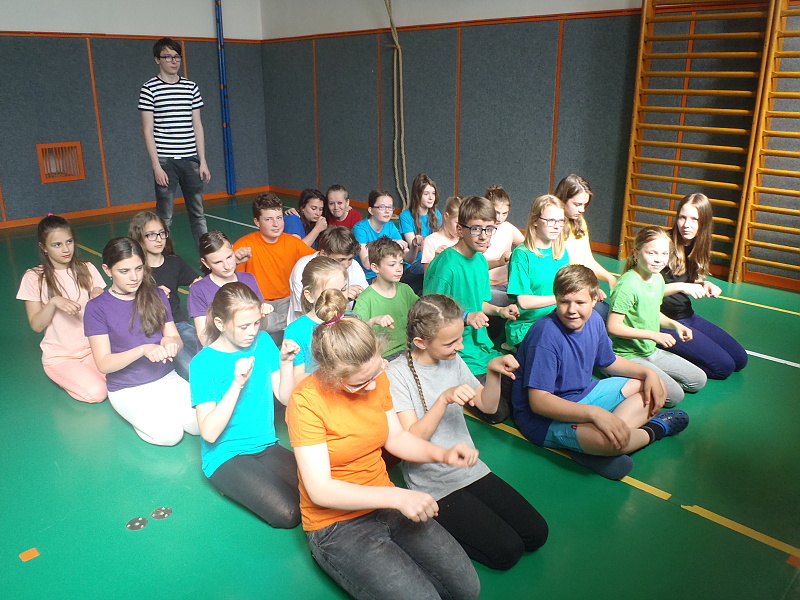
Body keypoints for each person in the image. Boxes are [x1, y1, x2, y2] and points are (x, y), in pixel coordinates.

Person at [286, 290, 481, 600]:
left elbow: (398, 438)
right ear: (331, 376)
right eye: (361, 383)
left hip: (386, 502)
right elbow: (320, 489)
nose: (375, 384)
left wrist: (442, 454)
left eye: (377, 370)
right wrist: (398, 496)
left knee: (468, 589)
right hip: (337, 524)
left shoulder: (377, 376)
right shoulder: (305, 401)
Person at [387, 294, 548, 570]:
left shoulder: (452, 359)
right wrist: (443, 400)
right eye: (451, 343)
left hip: (469, 469)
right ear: (421, 342)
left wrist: (493, 373)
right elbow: (412, 439)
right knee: (507, 552)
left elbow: (487, 405)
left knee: (536, 534)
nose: (460, 346)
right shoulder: (397, 374)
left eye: (460, 338)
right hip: (433, 482)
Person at [512, 264, 689, 480]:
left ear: (595, 299)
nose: (571, 310)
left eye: (580, 302)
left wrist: (648, 374)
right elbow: (539, 402)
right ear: (556, 299)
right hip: (544, 418)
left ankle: (595, 446)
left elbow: (609, 361)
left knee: (654, 386)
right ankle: (654, 429)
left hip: (584, 394)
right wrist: (595, 414)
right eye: (564, 301)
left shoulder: (594, 320)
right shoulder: (545, 336)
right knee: (612, 442)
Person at [190, 282, 301, 528]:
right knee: (289, 514)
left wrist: (285, 363)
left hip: (266, 444)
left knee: (315, 493)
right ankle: (228, 483)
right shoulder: (202, 363)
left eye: (256, 323)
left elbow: (285, 398)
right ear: (220, 324)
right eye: (243, 326)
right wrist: (237, 384)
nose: (252, 331)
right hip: (226, 454)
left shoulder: (263, 341)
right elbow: (209, 433)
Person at [84, 237, 199, 446]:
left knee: (200, 424)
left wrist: (171, 342)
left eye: (138, 268)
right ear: (107, 270)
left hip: (167, 377)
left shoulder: (157, 295)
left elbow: (175, 338)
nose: (134, 277)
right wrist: (142, 350)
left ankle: (163, 410)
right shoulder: (96, 308)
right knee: (170, 436)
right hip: (128, 388)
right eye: (124, 271)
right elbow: (104, 363)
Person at [423, 196, 520, 424]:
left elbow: (478, 303)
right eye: (476, 228)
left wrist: (499, 311)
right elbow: (429, 314)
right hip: (457, 353)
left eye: (489, 229)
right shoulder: (446, 265)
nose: (484, 235)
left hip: (482, 349)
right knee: (498, 412)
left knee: (521, 393)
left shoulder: (479, 261)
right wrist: (466, 317)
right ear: (460, 229)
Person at [607, 226, 707, 407]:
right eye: (652, 253)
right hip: (627, 354)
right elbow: (613, 327)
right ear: (636, 253)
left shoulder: (657, 279)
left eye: (664, 254)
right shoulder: (627, 286)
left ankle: (650, 379)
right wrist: (654, 335)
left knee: (698, 380)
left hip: (651, 350)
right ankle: (620, 376)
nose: (659, 259)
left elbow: (651, 312)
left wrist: (676, 325)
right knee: (674, 397)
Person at [17, 215, 107, 403]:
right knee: (98, 393)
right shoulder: (34, 277)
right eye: (57, 245)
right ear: (44, 247)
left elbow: (106, 310)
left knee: (121, 381)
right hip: (61, 357)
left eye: (69, 242)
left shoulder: (87, 269)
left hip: (93, 348)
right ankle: (68, 377)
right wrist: (53, 302)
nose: (66, 249)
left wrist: (99, 294)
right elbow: (36, 325)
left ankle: (84, 375)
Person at [661, 193, 748, 379]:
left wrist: (702, 283)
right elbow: (643, 292)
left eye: (695, 219)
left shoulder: (697, 245)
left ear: (704, 223)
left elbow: (685, 278)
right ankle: (660, 354)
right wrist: (681, 287)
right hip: (661, 319)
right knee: (723, 368)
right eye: (682, 217)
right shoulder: (662, 245)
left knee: (740, 360)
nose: (687, 224)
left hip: (686, 315)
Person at [138, 37, 210, 247]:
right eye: (167, 57)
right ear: (157, 59)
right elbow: (147, 130)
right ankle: (162, 256)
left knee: (198, 213)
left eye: (177, 56)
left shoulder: (191, 87)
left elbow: (197, 125)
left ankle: (206, 256)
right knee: (165, 217)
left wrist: (202, 161)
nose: (173, 61)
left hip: (191, 160)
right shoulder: (149, 89)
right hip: (166, 161)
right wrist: (156, 166)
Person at [233, 193, 316, 340]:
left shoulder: (293, 243)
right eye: (268, 219)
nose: (276, 224)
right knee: (267, 321)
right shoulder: (243, 246)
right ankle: (288, 326)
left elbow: (317, 259)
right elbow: (227, 278)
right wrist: (235, 261)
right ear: (257, 221)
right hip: (259, 302)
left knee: (268, 327)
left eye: (279, 218)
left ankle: (273, 332)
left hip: (287, 301)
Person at [128, 211, 199, 380]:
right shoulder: (135, 270)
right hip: (151, 330)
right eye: (151, 235)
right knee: (189, 368)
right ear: (139, 238)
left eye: (162, 233)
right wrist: (152, 292)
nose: (159, 239)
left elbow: (199, 284)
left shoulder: (174, 262)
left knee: (205, 354)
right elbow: (127, 301)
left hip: (179, 324)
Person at [505, 194, 571, 349]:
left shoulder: (561, 252)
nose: (557, 226)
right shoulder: (522, 255)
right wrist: (561, 298)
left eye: (561, 221)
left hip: (556, 321)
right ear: (535, 220)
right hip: (527, 326)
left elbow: (568, 286)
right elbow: (524, 302)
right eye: (551, 221)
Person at [188, 230, 271, 346]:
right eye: (218, 262)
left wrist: (264, 312)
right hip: (219, 352)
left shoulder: (248, 278)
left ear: (233, 250)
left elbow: (261, 326)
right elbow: (204, 338)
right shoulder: (198, 290)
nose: (227, 266)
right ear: (205, 263)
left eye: (229, 257)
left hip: (249, 346)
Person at [354, 238, 418, 360]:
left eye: (401, 263)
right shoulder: (365, 299)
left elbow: (421, 310)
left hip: (410, 349)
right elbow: (357, 332)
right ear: (375, 268)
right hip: (384, 356)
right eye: (392, 265)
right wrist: (373, 321)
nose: (399, 269)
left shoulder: (405, 289)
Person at [288, 226, 366, 325]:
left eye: (350, 259)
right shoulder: (302, 268)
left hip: (339, 324)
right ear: (323, 253)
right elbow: (306, 310)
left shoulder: (353, 264)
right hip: (309, 326)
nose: (347, 265)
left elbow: (365, 295)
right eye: (340, 260)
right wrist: (342, 298)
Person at [285, 257, 348, 380]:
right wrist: (333, 379)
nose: (340, 297)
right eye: (329, 293)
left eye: (343, 289)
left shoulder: (350, 318)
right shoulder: (295, 330)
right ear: (310, 296)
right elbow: (297, 377)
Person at [554, 174, 617, 295]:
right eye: (577, 204)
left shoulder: (580, 222)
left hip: (577, 284)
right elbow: (557, 269)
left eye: (585, 204)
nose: (582, 210)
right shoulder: (553, 227)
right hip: (563, 288)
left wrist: (609, 277)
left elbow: (586, 260)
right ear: (562, 200)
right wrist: (587, 289)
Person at [352, 190, 413, 281]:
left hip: (389, 273)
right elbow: (366, 264)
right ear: (371, 210)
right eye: (382, 207)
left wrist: (414, 247)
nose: (387, 211)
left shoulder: (390, 226)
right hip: (369, 277)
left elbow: (408, 258)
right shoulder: (360, 228)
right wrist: (389, 243)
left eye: (390, 207)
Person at [398, 174, 442, 293]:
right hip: (414, 264)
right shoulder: (406, 216)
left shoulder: (437, 214)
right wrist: (431, 247)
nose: (431, 198)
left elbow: (440, 239)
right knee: (436, 270)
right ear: (417, 195)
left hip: (433, 258)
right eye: (426, 194)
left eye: (433, 193)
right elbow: (414, 246)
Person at [484, 185, 525, 307]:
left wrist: (515, 255)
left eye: (504, 213)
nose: (499, 218)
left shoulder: (508, 228)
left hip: (507, 284)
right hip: (485, 285)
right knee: (515, 302)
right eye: (496, 212)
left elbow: (527, 247)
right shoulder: (480, 229)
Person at [420, 195, 462, 271]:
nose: (460, 228)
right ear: (446, 216)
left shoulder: (464, 239)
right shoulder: (430, 241)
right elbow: (427, 275)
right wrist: (436, 259)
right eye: (457, 223)